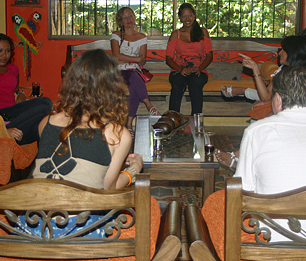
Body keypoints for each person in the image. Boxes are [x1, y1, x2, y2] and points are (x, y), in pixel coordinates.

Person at [234, 66, 306, 242]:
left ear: (278, 100)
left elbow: (243, 190)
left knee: (215, 204)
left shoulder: (257, 130)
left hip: (277, 239)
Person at [32, 48, 142, 190]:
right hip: (82, 212)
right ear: (112, 87)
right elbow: (108, 188)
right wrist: (134, 168)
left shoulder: (45, 123)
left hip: (37, 211)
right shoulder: (117, 134)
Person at [222, 35, 306, 114]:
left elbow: (302, 87)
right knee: (260, 110)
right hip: (290, 113)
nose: (280, 53)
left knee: (263, 110)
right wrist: (255, 69)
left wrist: (268, 103)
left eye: (284, 50)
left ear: (294, 52)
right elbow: (266, 96)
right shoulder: (284, 68)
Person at [110, 7, 160, 131]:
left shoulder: (142, 37)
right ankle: (149, 105)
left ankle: (129, 124)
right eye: (125, 17)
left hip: (135, 71)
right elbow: (116, 57)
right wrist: (135, 59)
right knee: (133, 76)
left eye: (130, 16)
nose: (128, 19)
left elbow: (143, 60)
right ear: (120, 21)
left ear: (134, 17)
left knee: (134, 86)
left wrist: (129, 59)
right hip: (118, 72)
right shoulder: (116, 35)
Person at [165, 3, 213, 115]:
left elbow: (209, 55)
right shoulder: (175, 35)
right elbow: (169, 58)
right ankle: (173, 118)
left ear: (194, 15)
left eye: (190, 15)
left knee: (195, 84)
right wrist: (180, 69)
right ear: (180, 18)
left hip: (199, 70)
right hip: (179, 70)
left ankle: (196, 120)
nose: (187, 19)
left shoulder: (203, 32)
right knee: (177, 84)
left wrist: (200, 68)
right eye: (184, 16)